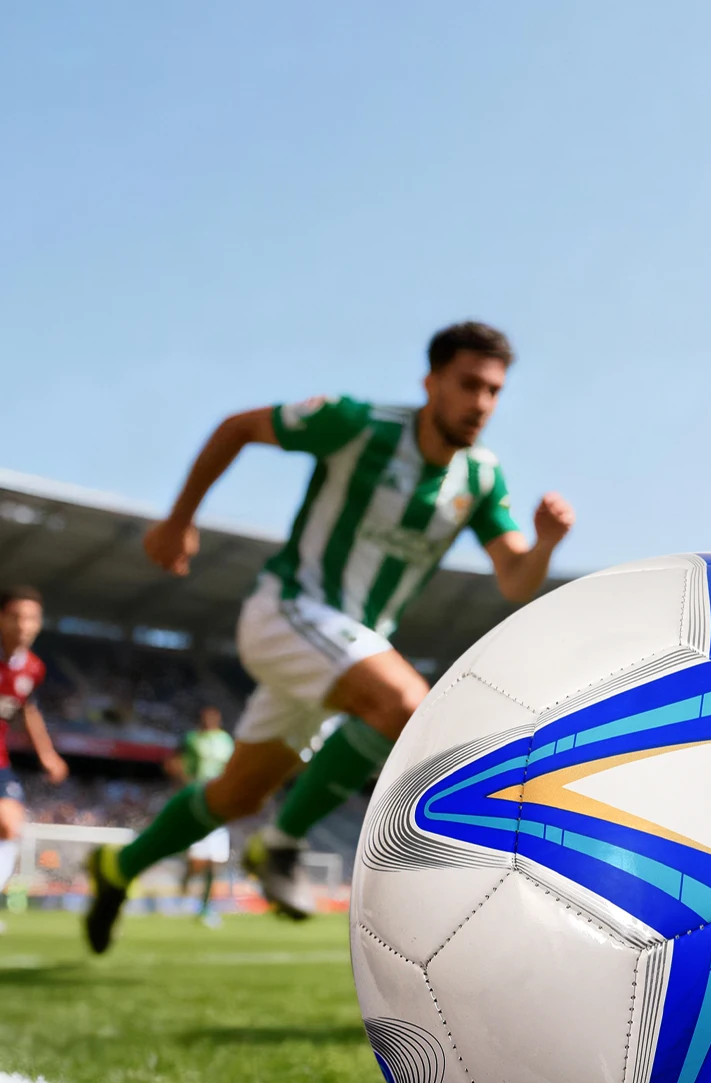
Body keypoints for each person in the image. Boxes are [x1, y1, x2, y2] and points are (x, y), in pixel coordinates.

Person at [85, 321, 575, 953]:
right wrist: (180, 520)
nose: (481, 403)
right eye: (469, 385)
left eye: (494, 391)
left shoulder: (480, 479)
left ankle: (116, 870)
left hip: (347, 648)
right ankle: (286, 843)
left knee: (236, 794)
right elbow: (239, 425)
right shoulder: (355, 423)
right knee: (405, 705)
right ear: (431, 382)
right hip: (289, 610)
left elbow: (514, 578)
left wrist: (545, 545)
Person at [0, 586, 68, 927]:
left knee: (11, 824)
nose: (24, 625)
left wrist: (47, 754)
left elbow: (28, 710)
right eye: (15, 616)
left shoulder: (33, 668)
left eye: (31, 618)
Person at [167, 704, 234, 927]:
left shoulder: (226, 741)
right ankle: (182, 896)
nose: (210, 721)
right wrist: (186, 785)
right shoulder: (190, 739)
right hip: (196, 803)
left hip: (219, 807)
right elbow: (173, 762)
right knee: (196, 862)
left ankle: (205, 907)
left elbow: (232, 768)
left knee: (215, 863)